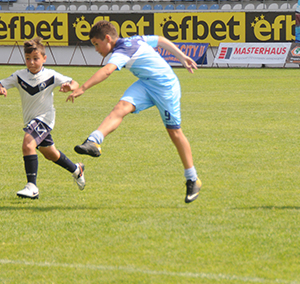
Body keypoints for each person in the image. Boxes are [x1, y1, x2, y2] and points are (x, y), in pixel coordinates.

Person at [66, 20, 201, 203]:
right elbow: (160, 40)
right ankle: (94, 141)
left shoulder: (123, 51)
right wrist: (181, 56)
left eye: (96, 44)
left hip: (165, 87)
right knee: (121, 107)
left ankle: (192, 179)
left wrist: (83, 87)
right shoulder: (135, 40)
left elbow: (107, 71)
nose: (96, 49)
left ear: (107, 38)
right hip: (146, 84)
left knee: (175, 132)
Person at [0, 38, 85, 199]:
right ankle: (76, 169)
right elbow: (0, 84)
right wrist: (0, 89)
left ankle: (32, 186)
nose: (31, 62)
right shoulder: (19, 76)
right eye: (28, 59)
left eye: (36, 59)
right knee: (50, 154)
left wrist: (70, 87)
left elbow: (75, 83)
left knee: (27, 144)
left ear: (44, 58)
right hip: (30, 120)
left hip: (45, 118)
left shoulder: (51, 75)